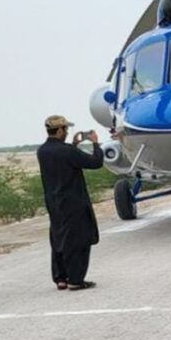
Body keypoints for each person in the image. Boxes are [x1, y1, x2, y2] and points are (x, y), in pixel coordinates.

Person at [36, 115, 103, 291]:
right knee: (78, 240)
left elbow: (62, 163)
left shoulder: (42, 151)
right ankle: (76, 279)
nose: (66, 132)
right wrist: (96, 144)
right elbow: (95, 162)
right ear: (59, 130)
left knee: (58, 237)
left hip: (53, 201)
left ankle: (60, 278)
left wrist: (73, 146)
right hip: (73, 201)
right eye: (65, 129)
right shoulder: (67, 151)